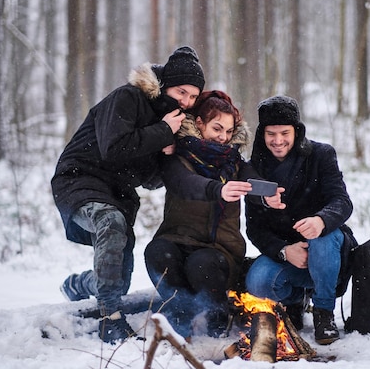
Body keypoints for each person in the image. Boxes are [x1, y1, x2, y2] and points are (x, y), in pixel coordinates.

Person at [51, 46, 205, 344]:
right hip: (79, 177)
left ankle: (79, 285)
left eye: (193, 97)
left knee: (117, 282)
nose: (186, 102)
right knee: (110, 222)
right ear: (165, 85)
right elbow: (114, 147)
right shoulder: (128, 98)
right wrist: (161, 132)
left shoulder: (169, 122)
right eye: (181, 92)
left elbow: (147, 180)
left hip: (116, 192)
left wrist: (168, 157)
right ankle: (111, 320)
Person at [144, 90, 284, 340]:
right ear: (199, 123)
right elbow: (184, 182)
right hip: (177, 240)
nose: (223, 137)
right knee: (156, 252)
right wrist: (218, 189)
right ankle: (181, 314)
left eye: (229, 132)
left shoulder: (234, 163)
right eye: (217, 129)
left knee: (202, 263)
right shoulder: (177, 157)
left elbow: (253, 183)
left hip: (219, 251)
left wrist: (267, 196)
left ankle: (218, 317)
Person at [244, 95, 355, 345]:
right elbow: (254, 229)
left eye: (284, 132)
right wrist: (284, 251)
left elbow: (342, 201)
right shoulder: (254, 169)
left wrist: (321, 220)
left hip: (328, 249)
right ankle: (294, 301)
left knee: (322, 240)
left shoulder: (321, 155)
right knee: (257, 280)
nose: (278, 140)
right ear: (263, 134)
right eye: (271, 133)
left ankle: (324, 312)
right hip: (289, 254)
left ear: (297, 131)